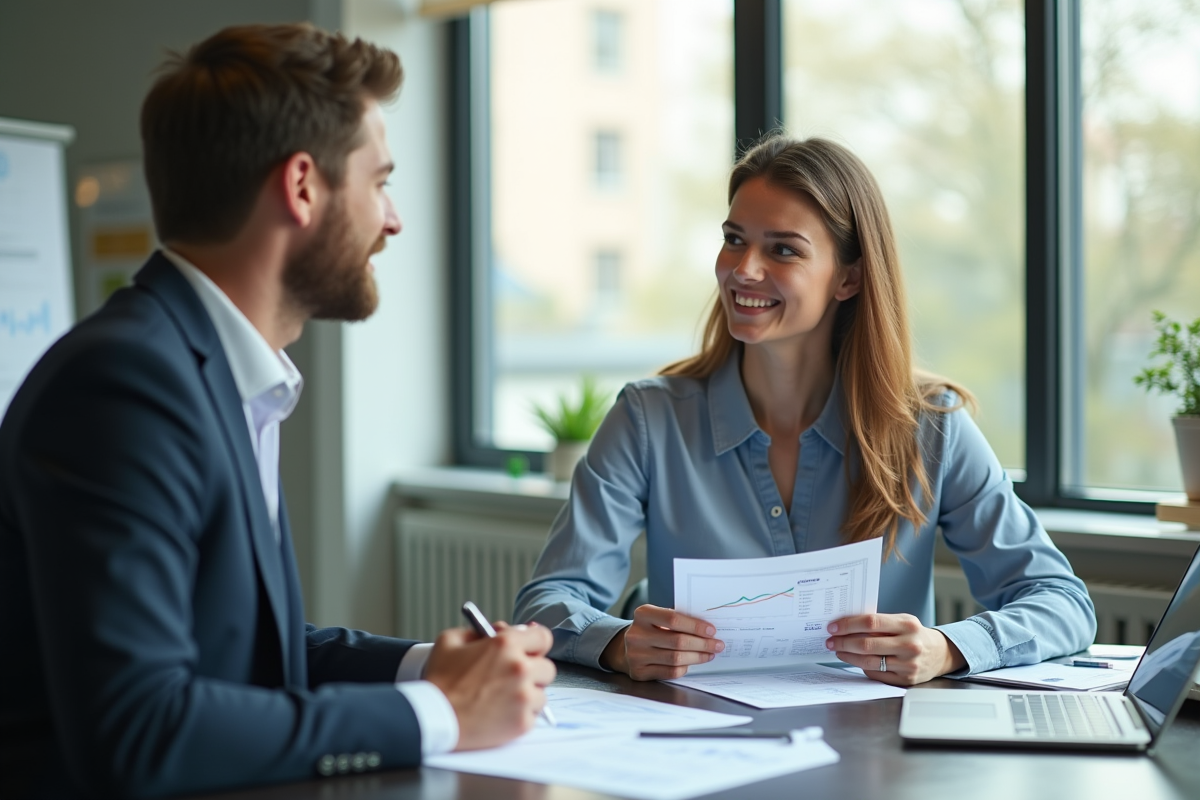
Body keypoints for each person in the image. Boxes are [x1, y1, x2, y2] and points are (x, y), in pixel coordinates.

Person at [0, 23, 553, 800]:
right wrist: (440, 713)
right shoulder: (125, 384)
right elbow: (140, 727)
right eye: (379, 182)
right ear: (302, 187)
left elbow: (240, 647)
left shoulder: (212, 370)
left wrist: (432, 666)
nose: (392, 220)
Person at [514, 135, 1096, 685]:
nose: (743, 269)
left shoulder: (931, 427)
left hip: (875, 760)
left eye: (783, 249)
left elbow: (1061, 603)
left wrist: (949, 649)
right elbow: (548, 601)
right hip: (697, 747)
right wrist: (618, 643)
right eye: (734, 238)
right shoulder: (648, 421)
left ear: (848, 278)